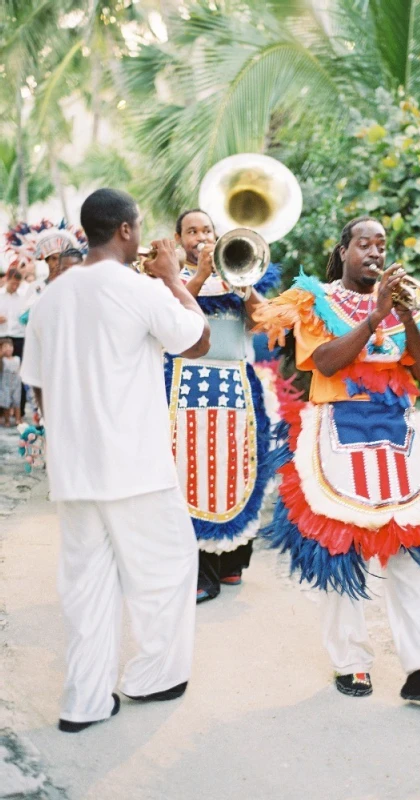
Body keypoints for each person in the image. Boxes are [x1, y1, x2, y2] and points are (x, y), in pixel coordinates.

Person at [254, 216, 420, 701]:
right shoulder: (314, 299)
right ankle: (351, 662)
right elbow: (324, 363)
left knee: (412, 548)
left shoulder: (408, 304)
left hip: (396, 432)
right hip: (337, 428)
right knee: (343, 548)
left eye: (381, 244)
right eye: (363, 243)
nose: (374, 252)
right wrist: (372, 315)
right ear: (343, 251)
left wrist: (404, 315)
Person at [21, 188, 210, 733]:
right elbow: (196, 341)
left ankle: (84, 702)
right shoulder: (137, 287)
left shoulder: (52, 297)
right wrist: (175, 278)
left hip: (74, 472)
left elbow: (37, 386)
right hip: (135, 467)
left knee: (86, 588)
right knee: (168, 570)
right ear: (126, 231)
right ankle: (153, 677)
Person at [166, 208, 280, 603]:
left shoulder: (239, 271)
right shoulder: (171, 280)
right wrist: (199, 272)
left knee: (237, 467)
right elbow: (173, 315)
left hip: (236, 389)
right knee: (190, 474)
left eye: (207, 230)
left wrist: (244, 286)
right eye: (191, 231)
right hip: (184, 388)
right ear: (179, 239)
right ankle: (199, 572)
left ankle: (232, 561)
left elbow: (263, 321)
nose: (200, 236)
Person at [0, 269, 28, 417]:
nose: (15, 287)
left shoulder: (23, 298)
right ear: (7, 279)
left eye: (18, 284)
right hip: (2, 336)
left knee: (19, 375)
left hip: (18, 338)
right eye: (13, 283)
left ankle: (19, 410)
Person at [0, 337, 22, 425]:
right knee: (6, 403)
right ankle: (7, 420)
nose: (8, 348)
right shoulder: (2, 360)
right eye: (5, 346)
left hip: (16, 384)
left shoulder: (17, 359)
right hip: (5, 384)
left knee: (17, 402)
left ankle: (18, 419)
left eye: (10, 346)